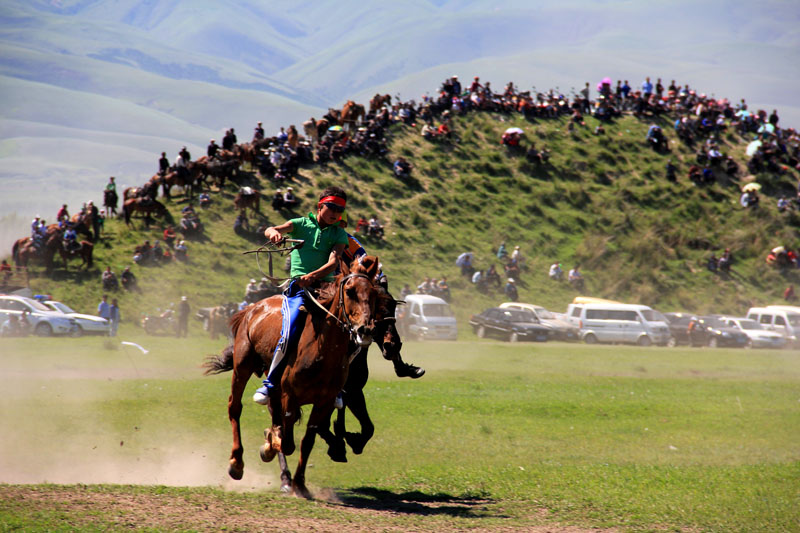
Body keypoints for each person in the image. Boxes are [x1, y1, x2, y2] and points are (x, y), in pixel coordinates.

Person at [253, 186, 350, 405]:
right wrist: (275, 233)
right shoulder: (300, 224)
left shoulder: (338, 233)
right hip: (299, 289)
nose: (335, 213)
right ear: (320, 206)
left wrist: (313, 275)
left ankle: (336, 387)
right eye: (332, 207)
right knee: (290, 330)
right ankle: (270, 384)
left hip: (327, 289)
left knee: (346, 334)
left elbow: (334, 262)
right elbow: (271, 228)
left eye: (340, 210)